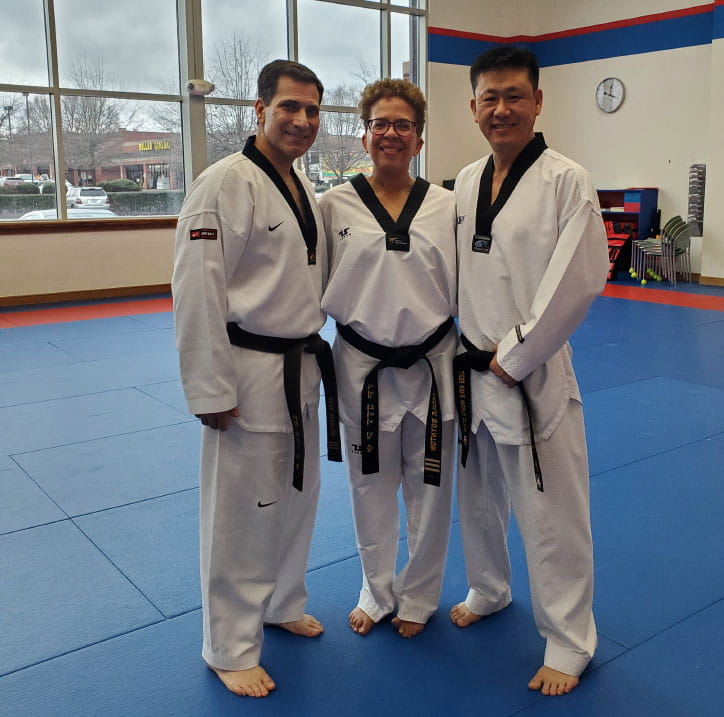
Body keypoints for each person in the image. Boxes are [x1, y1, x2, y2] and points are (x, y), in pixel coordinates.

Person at [172, 59, 341, 698]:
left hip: (301, 369)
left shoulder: (301, 185)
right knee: (242, 514)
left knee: (296, 497)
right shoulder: (224, 183)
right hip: (247, 374)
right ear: (260, 109)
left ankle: (281, 601)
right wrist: (209, 388)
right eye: (289, 106)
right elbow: (196, 289)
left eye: (312, 110)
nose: (301, 120)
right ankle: (229, 646)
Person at [449, 46, 608, 696]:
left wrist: (515, 356)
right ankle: (488, 588)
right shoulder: (463, 181)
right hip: (469, 366)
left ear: (538, 101)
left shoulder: (568, 181)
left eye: (514, 95)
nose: (502, 108)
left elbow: (579, 279)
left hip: (530, 370)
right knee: (477, 495)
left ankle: (569, 640)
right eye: (490, 97)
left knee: (550, 512)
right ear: (473, 107)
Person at [320, 79, 458, 639]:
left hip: (433, 364)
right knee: (369, 487)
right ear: (364, 135)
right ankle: (376, 592)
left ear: (419, 138)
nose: (391, 134)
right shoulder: (333, 205)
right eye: (380, 123)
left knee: (431, 488)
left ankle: (419, 595)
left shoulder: (447, 206)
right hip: (362, 365)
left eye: (403, 125)